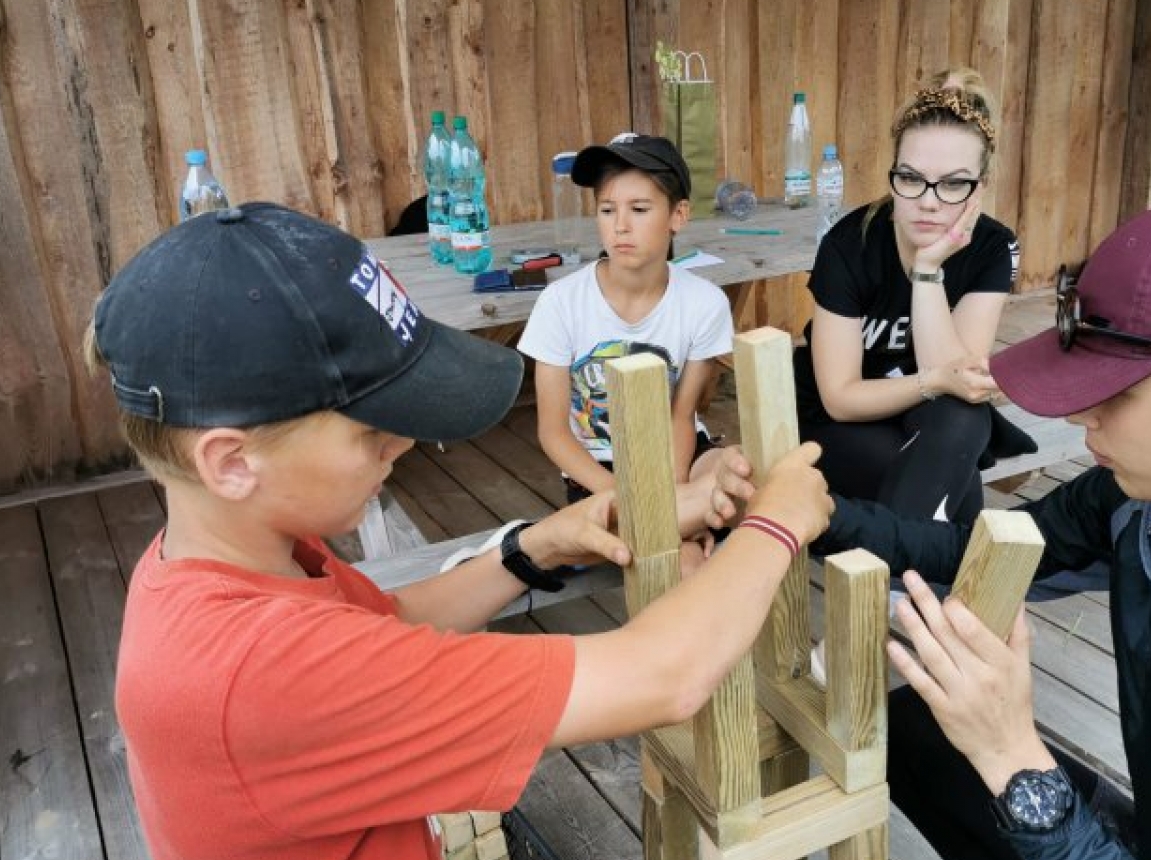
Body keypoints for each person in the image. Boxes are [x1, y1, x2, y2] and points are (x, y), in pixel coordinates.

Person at [89, 202, 832, 860]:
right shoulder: (264, 674)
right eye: (374, 430)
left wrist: (536, 546)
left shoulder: (225, 562)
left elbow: (390, 622)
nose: (402, 444)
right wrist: (776, 523)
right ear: (230, 461)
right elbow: (661, 677)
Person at [713, 193, 1151, 858]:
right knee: (920, 732)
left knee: (986, 759)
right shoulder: (1145, 507)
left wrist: (1015, 760)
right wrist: (812, 514)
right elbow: (966, 553)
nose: (1079, 416)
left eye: (1116, 393)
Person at [792, 67, 1034, 527]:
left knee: (960, 424)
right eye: (911, 177)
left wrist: (927, 272)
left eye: (953, 183)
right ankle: (931, 587)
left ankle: (899, 585)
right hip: (836, 421)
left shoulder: (991, 246)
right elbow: (841, 397)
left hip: (930, 420)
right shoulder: (848, 245)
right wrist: (935, 382)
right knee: (945, 467)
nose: (928, 200)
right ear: (893, 178)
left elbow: (958, 382)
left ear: (979, 188)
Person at [519, 132, 734, 503]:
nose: (620, 225)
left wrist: (674, 495)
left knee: (737, 475)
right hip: (598, 467)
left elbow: (681, 417)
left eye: (639, 209)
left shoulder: (706, 303)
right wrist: (628, 499)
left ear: (678, 215)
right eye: (607, 209)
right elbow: (554, 432)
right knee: (681, 546)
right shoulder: (561, 302)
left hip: (676, 451)